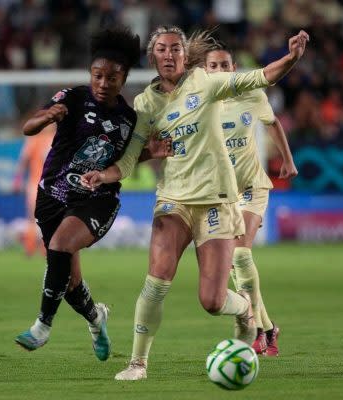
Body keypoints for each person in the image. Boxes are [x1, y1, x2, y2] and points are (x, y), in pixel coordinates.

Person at [81, 25, 308, 380]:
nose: (168, 54)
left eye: (175, 48)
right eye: (161, 49)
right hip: (173, 199)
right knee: (156, 280)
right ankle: (138, 363)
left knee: (212, 301)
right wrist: (104, 175)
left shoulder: (205, 83)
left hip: (216, 200)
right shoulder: (145, 104)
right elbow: (129, 159)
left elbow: (261, 77)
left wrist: (291, 57)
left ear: (185, 56)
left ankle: (245, 310)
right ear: (152, 57)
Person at [13, 27, 142, 362]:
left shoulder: (129, 120)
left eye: (112, 77)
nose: (103, 83)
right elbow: (28, 127)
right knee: (69, 282)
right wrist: (47, 117)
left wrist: (153, 151)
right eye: (98, 75)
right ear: (90, 74)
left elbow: (129, 158)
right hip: (52, 196)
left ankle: (42, 326)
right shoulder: (72, 97)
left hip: (97, 199)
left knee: (59, 246)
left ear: (124, 79)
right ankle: (96, 319)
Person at [188, 33, 298, 356]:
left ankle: (257, 330)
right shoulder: (200, 101)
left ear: (234, 68)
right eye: (214, 66)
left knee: (240, 255)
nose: (220, 70)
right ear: (205, 71)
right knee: (234, 267)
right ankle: (266, 327)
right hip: (222, 194)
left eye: (225, 65)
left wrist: (287, 159)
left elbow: (272, 123)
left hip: (252, 187)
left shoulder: (251, 93)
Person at [13, 123, 55, 257]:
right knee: (39, 217)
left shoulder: (38, 139)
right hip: (40, 184)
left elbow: (23, 161)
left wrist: (17, 180)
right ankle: (35, 247)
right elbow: (24, 161)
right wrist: (17, 180)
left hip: (44, 184)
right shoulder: (37, 139)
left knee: (40, 217)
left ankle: (37, 248)